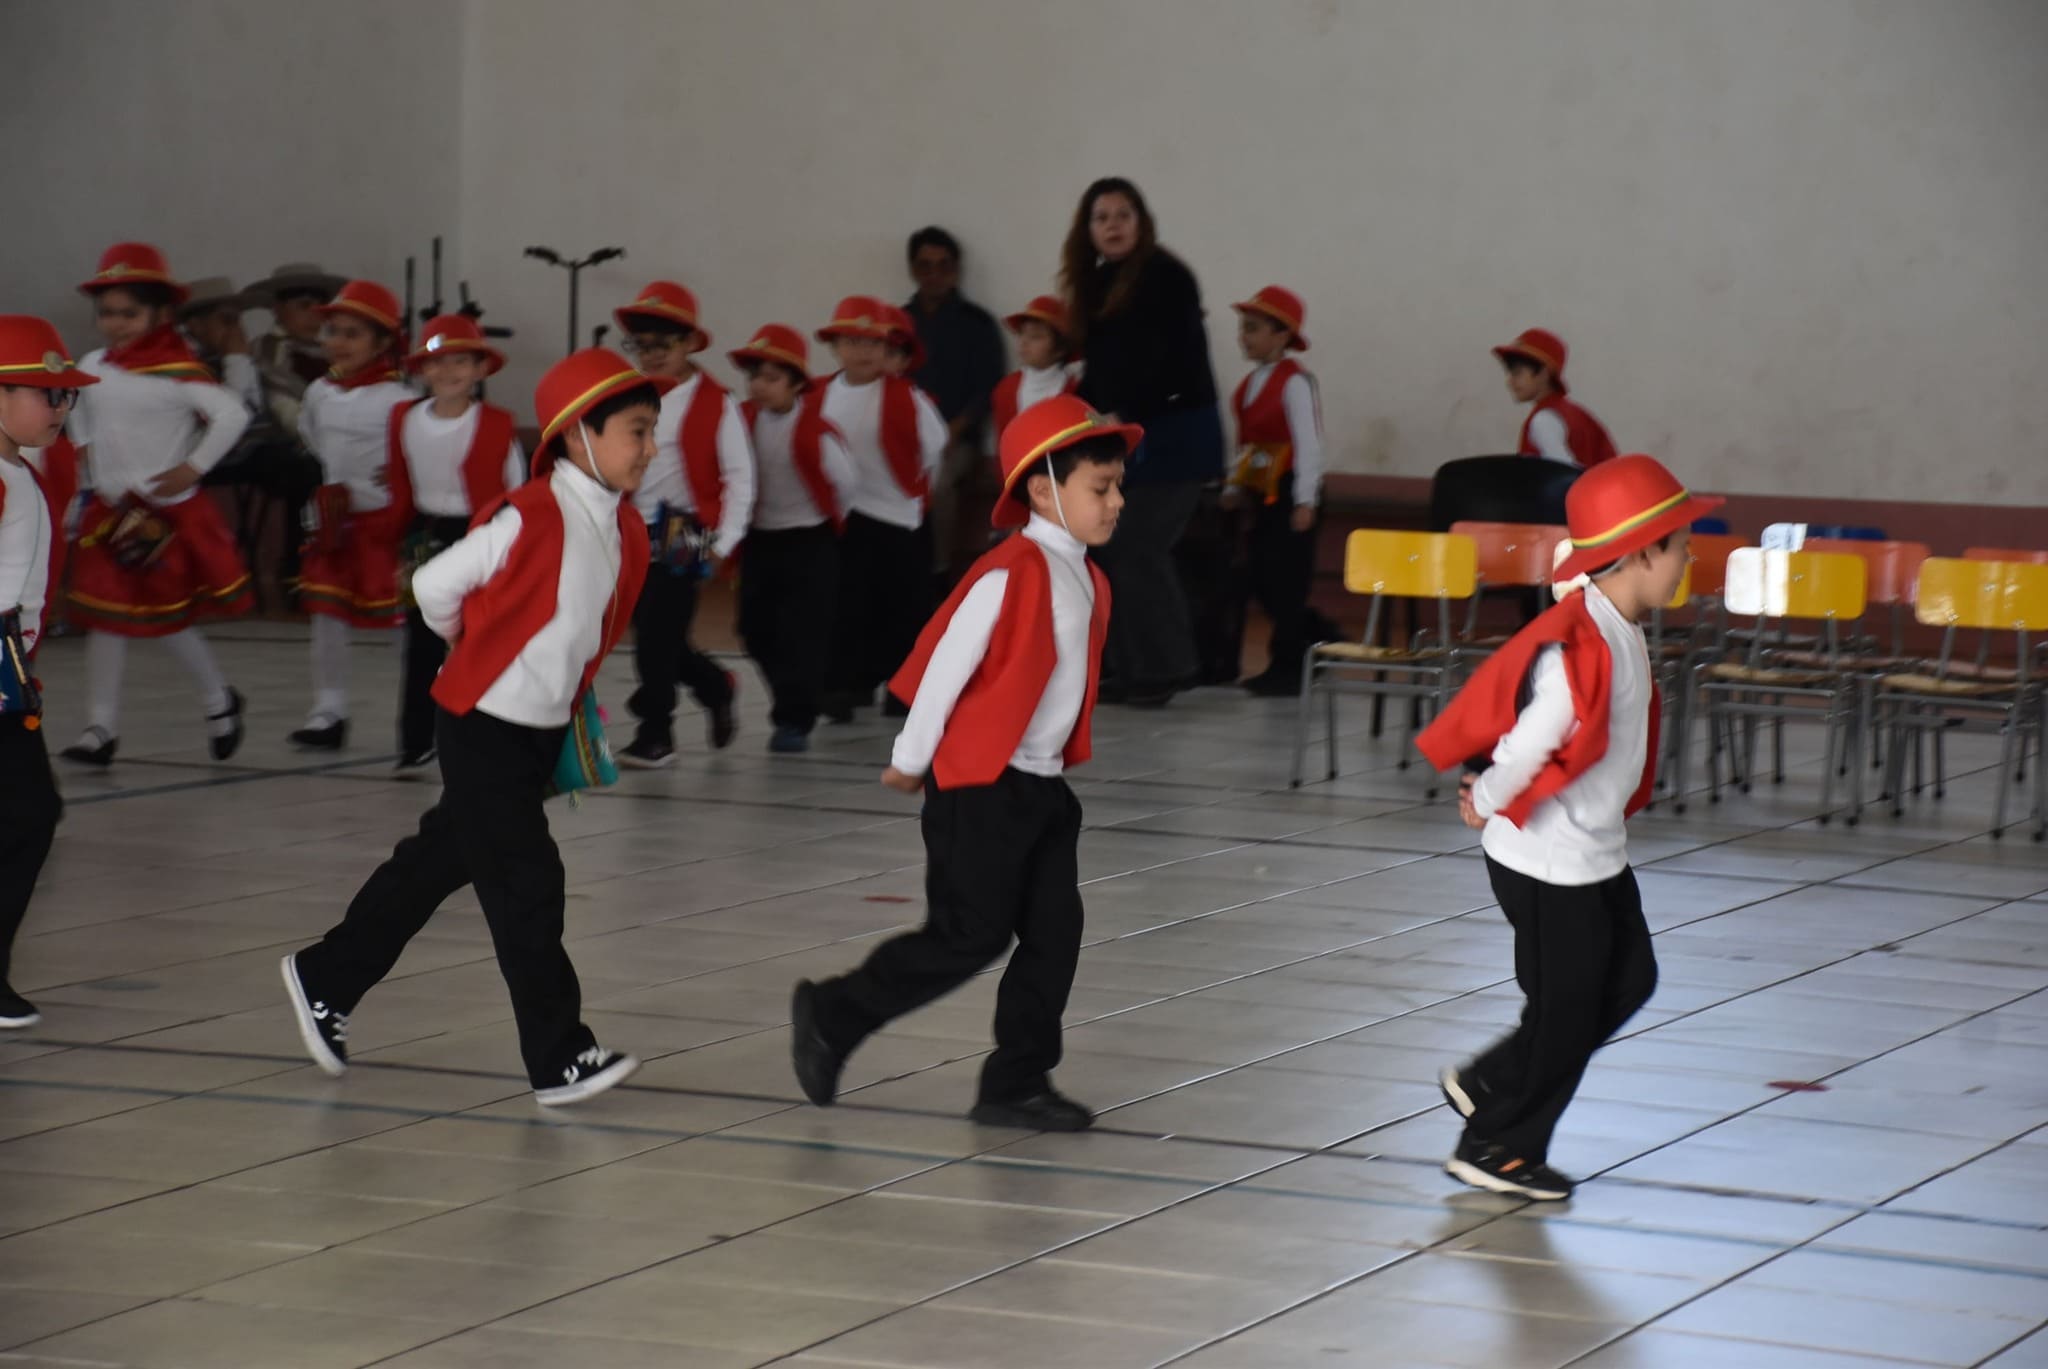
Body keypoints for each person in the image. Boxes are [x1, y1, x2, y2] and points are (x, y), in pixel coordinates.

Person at [282, 347, 658, 1107]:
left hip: (536, 730)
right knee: (528, 884)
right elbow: (431, 583)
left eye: (653, 433)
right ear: (578, 433)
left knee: (437, 861)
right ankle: (560, 1056)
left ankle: (326, 973)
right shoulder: (531, 513)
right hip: (482, 724)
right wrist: (468, 642)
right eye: (636, 431)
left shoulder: (621, 526)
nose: (649, 449)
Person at [791, 394, 1135, 1131]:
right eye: (1100, 488)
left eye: (1117, 487)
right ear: (1043, 489)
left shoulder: (1086, 574)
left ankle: (1015, 1081)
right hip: (980, 788)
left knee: (1054, 933)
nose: (1116, 502)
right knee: (968, 934)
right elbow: (946, 665)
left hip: (1041, 787)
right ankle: (835, 1011)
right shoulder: (1011, 569)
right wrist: (911, 757)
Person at [1417, 454, 1713, 1200]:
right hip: (1546, 860)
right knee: (1564, 1011)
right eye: (1679, 544)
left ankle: (1492, 1079)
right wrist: (1485, 797)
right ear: (1642, 551)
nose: (1688, 557)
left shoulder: (1617, 622)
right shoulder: (1581, 641)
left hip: (1592, 849)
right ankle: (1497, 1144)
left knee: (1629, 980)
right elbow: (1532, 740)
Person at [63, 242, 252, 768]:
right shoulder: (93, 364)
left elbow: (232, 415)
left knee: (168, 619)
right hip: (109, 513)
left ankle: (219, 702)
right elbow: (80, 410)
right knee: (105, 620)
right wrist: (85, 458)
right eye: (107, 313)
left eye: (130, 313)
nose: (116, 323)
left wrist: (193, 467)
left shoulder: (177, 369)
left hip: (160, 520)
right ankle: (100, 728)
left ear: (160, 313)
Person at [1062, 177, 1223, 708]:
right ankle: (1133, 667)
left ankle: (1167, 666)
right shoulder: (1098, 282)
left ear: (1141, 222)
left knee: (1136, 545)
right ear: (1088, 230)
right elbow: (1104, 371)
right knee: (1111, 545)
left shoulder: (1165, 277)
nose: (1112, 225)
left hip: (1174, 438)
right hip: (1125, 436)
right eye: (1101, 217)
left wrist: (1120, 410)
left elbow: (1169, 364)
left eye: (1123, 215)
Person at [0, 317, 96, 1029]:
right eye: (44, 394)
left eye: (65, 395)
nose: (60, 408)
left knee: (29, 816)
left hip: (9, 672)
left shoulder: (19, 469)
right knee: (31, 814)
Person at [611, 281, 751, 766]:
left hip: (686, 535)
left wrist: (723, 542)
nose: (650, 356)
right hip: (629, 532)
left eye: (662, 346)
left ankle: (657, 734)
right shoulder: (626, 397)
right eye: (641, 346)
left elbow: (740, 478)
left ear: (690, 344)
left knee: (656, 638)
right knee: (652, 634)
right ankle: (715, 685)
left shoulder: (717, 404)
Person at [385, 314, 524, 769]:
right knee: (422, 639)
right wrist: (398, 548)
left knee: (481, 637)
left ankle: (489, 733)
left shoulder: (499, 424)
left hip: (479, 536)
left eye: (460, 362)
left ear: (480, 369)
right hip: (424, 534)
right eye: (437, 363)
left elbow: (516, 494)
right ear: (422, 370)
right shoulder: (403, 419)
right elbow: (400, 485)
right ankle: (416, 739)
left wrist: (509, 554)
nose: (448, 373)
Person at [293, 280, 413, 751]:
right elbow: (314, 437)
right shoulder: (320, 392)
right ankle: (328, 711)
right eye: (332, 331)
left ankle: (426, 709)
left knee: (401, 623)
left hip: (383, 523)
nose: (338, 343)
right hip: (333, 524)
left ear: (383, 343)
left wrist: (380, 484)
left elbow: (410, 451)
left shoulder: (398, 399)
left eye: (352, 334)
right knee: (327, 616)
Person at [817, 295, 946, 722]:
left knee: (902, 608)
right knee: (844, 605)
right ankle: (844, 685)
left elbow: (933, 447)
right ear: (836, 346)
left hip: (895, 518)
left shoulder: (906, 397)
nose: (863, 351)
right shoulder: (818, 394)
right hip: (841, 519)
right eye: (851, 341)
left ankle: (902, 687)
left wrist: (907, 494)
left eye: (873, 342)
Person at [731, 324, 855, 755]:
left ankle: (793, 719)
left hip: (808, 541)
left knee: (802, 634)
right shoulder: (740, 422)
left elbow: (845, 485)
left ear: (798, 384)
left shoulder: (818, 432)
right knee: (754, 630)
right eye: (756, 376)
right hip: (761, 542)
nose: (759, 387)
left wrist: (819, 523)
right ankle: (800, 694)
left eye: (772, 378)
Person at [1225, 285, 1325, 696]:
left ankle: (1288, 666)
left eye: (1253, 328)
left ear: (1282, 335)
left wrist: (1305, 499)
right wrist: (1235, 483)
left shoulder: (1296, 382)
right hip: (1262, 494)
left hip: (1288, 492)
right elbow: (1247, 445)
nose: (1243, 337)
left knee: (1285, 581)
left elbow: (1309, 443)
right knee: (1264, 578)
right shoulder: (1250, 384)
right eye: (1243, 328)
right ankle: (1318, 639)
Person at [904, 227, 1006, 583]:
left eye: (943, 266)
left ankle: (937, 572)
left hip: (957, 440)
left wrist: (952, 430)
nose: (934, 275)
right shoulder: (900, 326)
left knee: (939, 484)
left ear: (956, 270)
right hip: (902, 438)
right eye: (925, 266)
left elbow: (988, 388)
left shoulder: (977, 325)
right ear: (914, 271)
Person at [1494, 328, 1617, 469]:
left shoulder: (1543, 420)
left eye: (1517, 372)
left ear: (1544, 373)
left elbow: (1563, 473)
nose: (1510, 381)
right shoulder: (1579, 415)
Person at [247, 262, 346, 433]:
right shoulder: (262, 352)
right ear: (277, 309)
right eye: (304, 306)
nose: (314, 315)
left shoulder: (336, 352)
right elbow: (287, 413)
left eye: (320, 308)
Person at [990, 295, 1081, 440]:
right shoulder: (1005, 390)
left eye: (1036, 336)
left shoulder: (1076, 390)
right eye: (1022, 333)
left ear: (1060, 349)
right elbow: (1003, 446)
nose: (1024, 341)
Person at [178, 278, 265, 413]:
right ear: (196, 326)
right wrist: (236, 360)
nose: (236, 330)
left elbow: (256, 409)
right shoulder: (181, 366)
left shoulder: (226, 357)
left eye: (237, 320)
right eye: (227, 320)